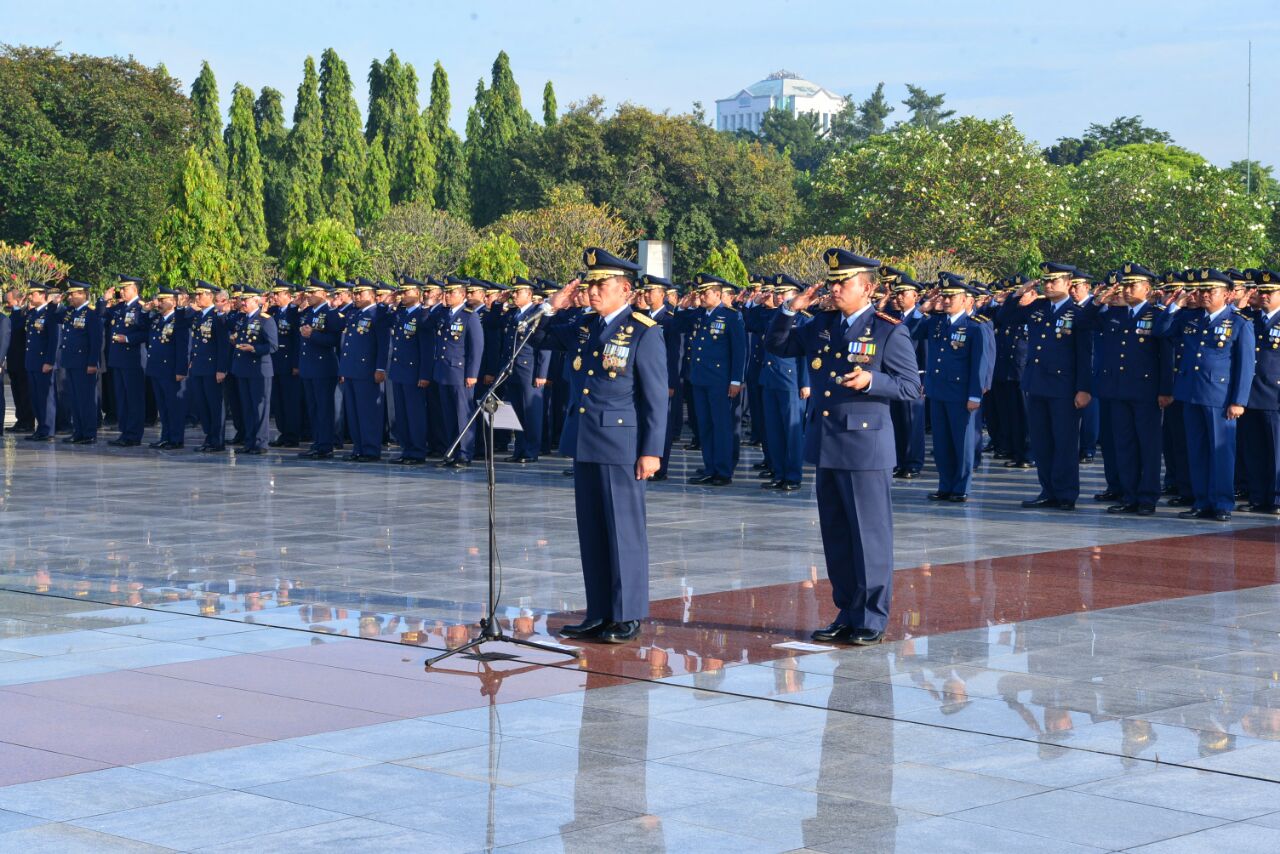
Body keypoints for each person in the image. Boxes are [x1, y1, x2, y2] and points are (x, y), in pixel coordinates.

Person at [766, 248, 921, 645]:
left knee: (869, 536)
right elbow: (778, 345)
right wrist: (789, 309)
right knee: (837, 536)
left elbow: (911, 387)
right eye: (833, 283)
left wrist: (873, 382)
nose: (834, 289)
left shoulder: (888, 330)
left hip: (865, 447)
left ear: (867, 288)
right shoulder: (821, 324)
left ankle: (871, 617)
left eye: (843, 283)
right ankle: (847, 611)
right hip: (827, 442)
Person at [533, 248, 667, 644]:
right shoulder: (583, 325)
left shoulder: (643, 330)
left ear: (625, 289)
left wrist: (652, 451)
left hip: (621, 444)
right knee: (592, 532)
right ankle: (599, 612)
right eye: (590, 285)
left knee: (624, 532)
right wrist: (552, 306)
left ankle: (626, 615)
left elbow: (655, 397)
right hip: (586, 439)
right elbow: (536, 336)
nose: (593, 292)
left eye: (601, 285)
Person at [1156, 268, 1255, 521]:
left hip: (1220, 397)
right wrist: (1175, 305)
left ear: (1227, 294)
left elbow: (1245, 366)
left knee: (1221, 452)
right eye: (1202, 290)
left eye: (1211, 290)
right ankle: (1201, 501)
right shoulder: (1189, 318)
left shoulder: (1239, 322)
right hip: (1191, 393)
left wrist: (1238, 401)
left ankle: (1221, 503)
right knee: (1196, 451)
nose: (1204, 295)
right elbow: (1162, 331)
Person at [1000, 262, 1094, 511]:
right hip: (1037, 383)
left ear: (1068, 283)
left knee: (1064, 443)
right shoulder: (1038, 307)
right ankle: (1048, 490)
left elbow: (1085, 355)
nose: (1049, 285)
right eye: (1046, 281)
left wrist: (1084, 388)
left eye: (1054, 281)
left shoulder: (1077, 313)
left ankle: (1066, 493)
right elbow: (1005, 317)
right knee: (1042, 442)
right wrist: (1019, 293)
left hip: (1064, 387)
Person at [1092, 264, 1173, 515]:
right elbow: (1085, 322)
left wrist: (1165, 389)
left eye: (1132, 285)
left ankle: (1147, 497)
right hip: (1118, 389)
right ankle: (1129, 495)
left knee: (1148, 446)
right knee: (1124, 444)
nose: (1126, 290)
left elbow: (1166, 355)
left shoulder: (1157, 314)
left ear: (1147, 288)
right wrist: (1098, 301)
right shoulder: (1114, 313)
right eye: (1124, 286)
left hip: (1146, 391)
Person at [913, 277, 989, 502]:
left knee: (962, 443)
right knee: (942, 443)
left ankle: (961, 487)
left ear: (965, 300)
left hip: (961, 394)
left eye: (951, 297)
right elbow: (910, 330)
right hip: (937, 391)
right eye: (944, 296)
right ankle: (945, 485)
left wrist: (975, 395)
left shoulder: (975, 326)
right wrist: (923, 308)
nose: (946, 301)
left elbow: (979, 364)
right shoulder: (936, 322)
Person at [679, 274, 745, 485]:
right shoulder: (699, 314)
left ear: (717, 294)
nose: (701, 296)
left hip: (720, 381)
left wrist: (736, 380)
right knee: (705, 425)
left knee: (721, 426)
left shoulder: (730, 316)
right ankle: (710, 467)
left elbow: (739, 351)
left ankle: (723, 471)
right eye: (700, 293)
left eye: (705, 293)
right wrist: (683, 308)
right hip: (700, 378)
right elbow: (678, 326)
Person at [758, 274, 811, 491]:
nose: (779, 297)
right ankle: (779, 473)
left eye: (784, 293)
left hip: (791, 381)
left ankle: (793, 476)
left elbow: (806, 354)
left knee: (792, 432)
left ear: (796, 296)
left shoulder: (804, 320)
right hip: (770, 378)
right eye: (777, 293)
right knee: (774, 430)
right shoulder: (775, 316)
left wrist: (805, 382)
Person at [429, 277, 483, 469]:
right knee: (449, 416)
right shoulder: (444, 314)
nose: (447, 296)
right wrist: (431, 305)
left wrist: (472, 373)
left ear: (462, 295)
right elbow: (427, 324)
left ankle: (465, 453)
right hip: (444, 372)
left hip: (460, 373)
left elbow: (476, 347)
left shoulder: (469, 316)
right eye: (446, 292)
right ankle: (452, 451)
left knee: (463, 415)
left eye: (451, 292)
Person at [1239, 268, 1280, 514]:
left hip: (1275, 396)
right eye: (1261, 291)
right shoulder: (1248, 319)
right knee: (1253, 450)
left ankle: (1276, 499)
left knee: (1276, 451)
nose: (1264, 296)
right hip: (1250, 394)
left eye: (1270, 292)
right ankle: (1257, 497)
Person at [498, 276, 551, 463]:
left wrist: (541, 373)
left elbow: (544, 345)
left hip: (529, 369)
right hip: (513, 368)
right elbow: (494, 325)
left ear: (529, 294)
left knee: (531, 412)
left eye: (518, 292)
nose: (514, 295)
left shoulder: (537, 313)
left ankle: (531, 451)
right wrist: (498, 304)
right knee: (516, 412)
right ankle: (519, 449)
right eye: (514, 292)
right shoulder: (513, 314)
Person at [637, 273, 683, 481]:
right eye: (645, 291)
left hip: (662, 379)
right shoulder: (640, 317)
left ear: (662, 295)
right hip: (642, 378)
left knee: (660, 422)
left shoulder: (670, 320)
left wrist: (671, 382)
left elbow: (674, 355)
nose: (647, 295)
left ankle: (660, 467)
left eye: (651, 291)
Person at [337, 280, 389, 462]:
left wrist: (380, 368)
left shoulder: (378, 314)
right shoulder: (354, 313)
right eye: (356, 293)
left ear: (372, 295)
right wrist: (344, 368)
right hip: (352, 369)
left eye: (361, 293)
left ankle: (371, 449)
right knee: (354, 412)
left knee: (368, 412)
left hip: (368, 370)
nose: (357, 296)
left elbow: (383, 344)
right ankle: (358, 448)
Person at [228, 286, 278, 454]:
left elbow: (272, 346)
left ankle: (261, 443)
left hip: (259, 370)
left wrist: (254, 348)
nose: (243, 302)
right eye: (242, 300)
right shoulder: (243, 319)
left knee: (260, 407)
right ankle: (249, 442)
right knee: (247, 407)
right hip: (243, 369)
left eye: (246, 300)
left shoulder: (265, 319)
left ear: (256, 301)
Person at [387, 278, 431, 465]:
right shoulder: (401, 314)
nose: (402, 295)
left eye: (406, 292)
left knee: (415, 415)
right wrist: (391, 304)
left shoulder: (422, 315)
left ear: (417, 293)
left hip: (414, 373)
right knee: (402, 415)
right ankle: (406, 450)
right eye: (401, 292)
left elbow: (426, 349)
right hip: (399, 371)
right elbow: (384, 320)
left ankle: (417, 451)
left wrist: (424, 374)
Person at [297, 278, 342, 459]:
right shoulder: (308, 313)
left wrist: (313, 335)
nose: (309, 295)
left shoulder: (330, 313)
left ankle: (325, 445)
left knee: (324, 408)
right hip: (308, 367)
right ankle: (317, 443)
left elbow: (334, 340)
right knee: (313, 408)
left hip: (323, 367)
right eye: (308, 292)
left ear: (323, 294)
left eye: (313, 292)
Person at [102, 275, 148, 446]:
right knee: (121, 398)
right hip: (118, 359)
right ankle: (124, 432)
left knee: (133, 398)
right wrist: (104, 300)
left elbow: (146, 332)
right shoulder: (119, 307)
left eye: (125, 289)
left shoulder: (140, 308)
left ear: (134, 290)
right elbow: (101, 316)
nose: (121, 291)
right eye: (121, 289)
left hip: (132, 360)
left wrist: (128, 339)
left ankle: (134, 434)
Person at [186, 281, 230, 452]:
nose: (196, 297)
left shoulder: (217, 316)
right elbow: (196, 341)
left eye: (200, 294)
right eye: (196, 294)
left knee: (215, 405)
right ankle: (209, 437)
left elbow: (223, 345)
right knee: (202, 405)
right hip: (198, 366)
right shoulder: (198, 316)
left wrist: (221, 369)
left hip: (212, 368)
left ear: (210, 296)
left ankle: (217, 440)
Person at [143, 286, 190, 449]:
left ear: (174, 302)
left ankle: (176, 439)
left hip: (171, 369)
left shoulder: (179, 320)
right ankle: (165, 436)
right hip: (156, 368)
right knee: (162, 406)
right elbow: (141, 326)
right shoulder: (157, 319)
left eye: (163, 300)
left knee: (174, 406)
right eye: (159, 300)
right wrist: (145, 311)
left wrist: (181, 370)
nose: (160, 303)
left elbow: (183, 347)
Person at [56, 281, 101, 444]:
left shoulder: (91, 314)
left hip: (84, 363)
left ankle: (89, 433)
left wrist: (92, 363)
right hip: (71, 362)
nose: (70, 297)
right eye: (69, 294)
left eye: (73, 294)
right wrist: (54, 304)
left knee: (86, 400)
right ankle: (78, 431)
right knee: (74, 399)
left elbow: (95, 341)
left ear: (83, 295)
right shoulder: (70, 312)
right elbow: (55, 318)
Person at [21, 282, 60, 441]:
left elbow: (53, 340)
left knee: (46, 397)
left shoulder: (50, 313)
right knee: (36, 397)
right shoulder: (32, 314)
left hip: (44, 362)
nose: (30, 297)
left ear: (43, 295)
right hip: (32, 362)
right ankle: (41, 428)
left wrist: (49, 361)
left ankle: (48, 430)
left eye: (33, 294)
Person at [267, 279, 302, 448]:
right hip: (275, 362)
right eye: (274, 294)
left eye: (278, 294)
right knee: (278, 401)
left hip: (288, 363)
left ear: (288, 295)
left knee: (290, 401)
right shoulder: (273, 311)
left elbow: (297, 340)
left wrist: (296, 364)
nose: (274, 297)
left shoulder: (294, 313)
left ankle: (292, 435)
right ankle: (283, 432)